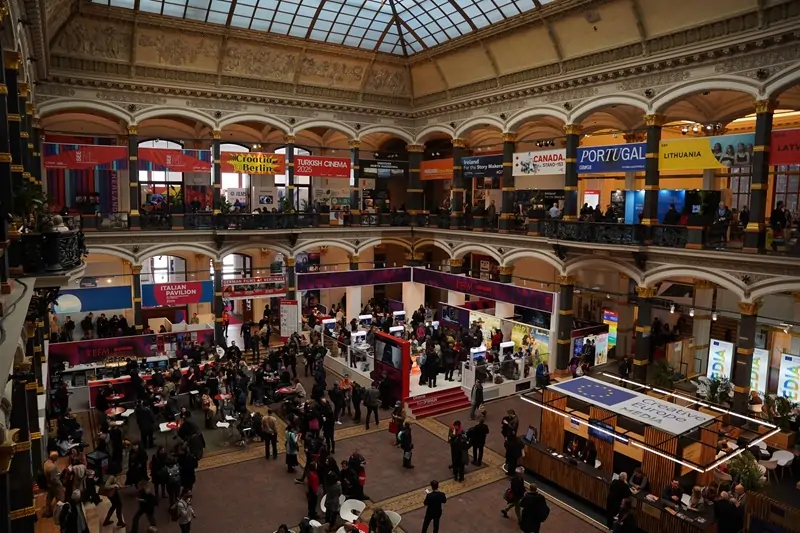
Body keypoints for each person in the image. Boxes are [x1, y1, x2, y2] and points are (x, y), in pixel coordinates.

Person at [43, 451, 64, 518]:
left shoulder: (46, 463)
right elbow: (55, 479)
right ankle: (59, 514)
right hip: (55, 485)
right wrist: (61, 484)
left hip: (49, 484)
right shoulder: (52, 467)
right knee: (61, 498)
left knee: (49, 498)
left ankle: (47, 511)